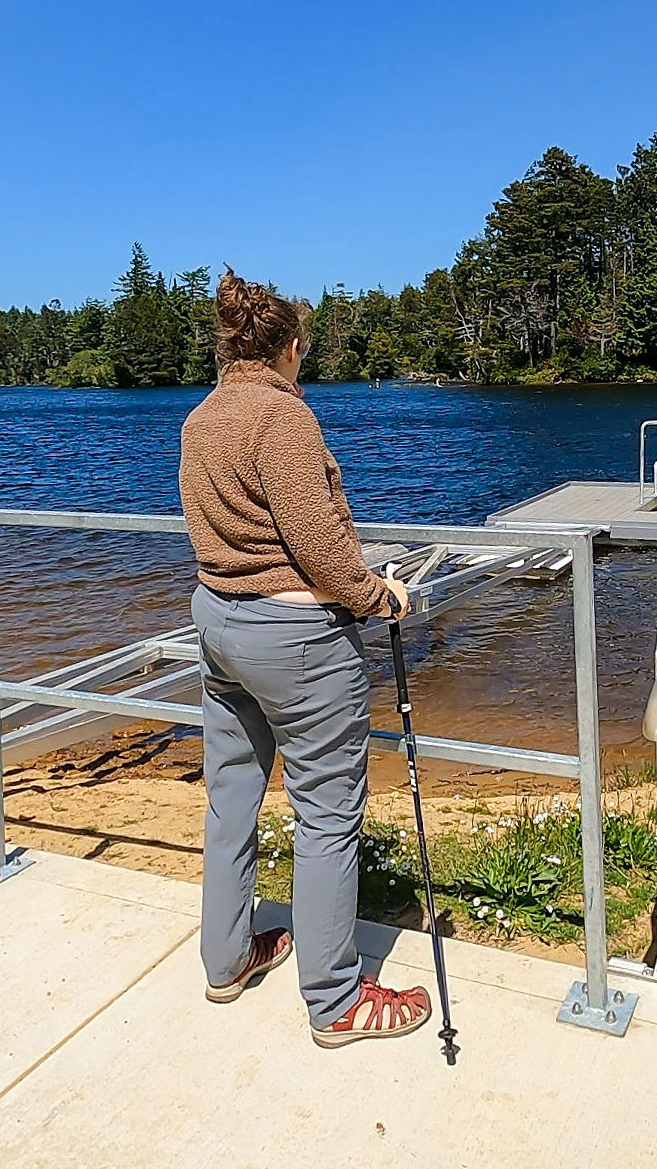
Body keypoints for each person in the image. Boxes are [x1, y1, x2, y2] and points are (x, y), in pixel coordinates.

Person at [179, 268, 431, 1048]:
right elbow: (321, 548)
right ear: (291, 348)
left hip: (220, 619)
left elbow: (220, 528)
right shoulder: (282, 419)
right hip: (294, 638)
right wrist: (378, 595)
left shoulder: (203, 417)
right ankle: (335, 999)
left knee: (232, 795)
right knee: (327, 815)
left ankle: (227, 958)